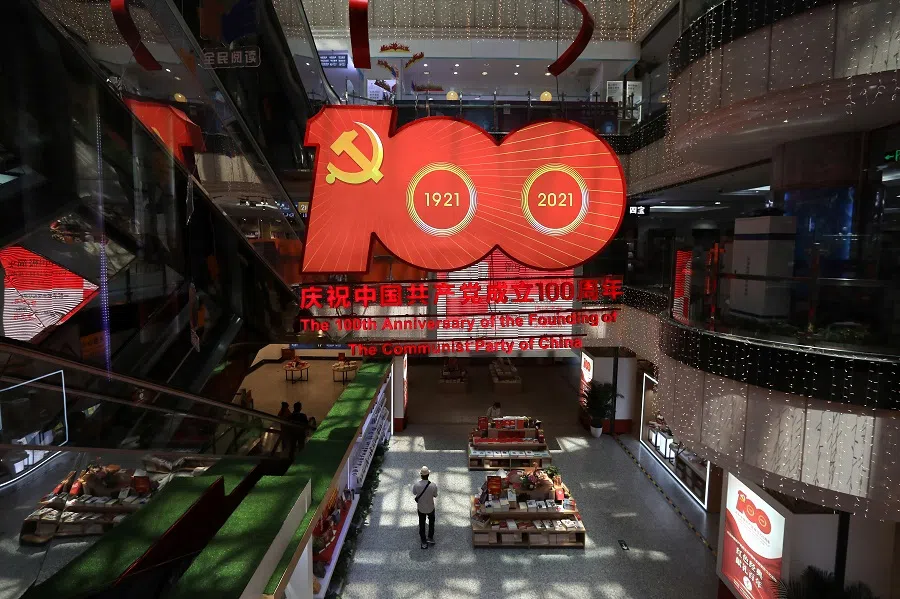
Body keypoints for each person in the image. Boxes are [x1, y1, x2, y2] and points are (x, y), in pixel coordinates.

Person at [412, 466, 438, 549]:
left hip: (421, 508)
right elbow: (435, 495)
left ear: (421, 475)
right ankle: (430, 537)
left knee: (422, 523)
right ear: (428, 474)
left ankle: (423, 541)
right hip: (430, 507)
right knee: (431, 522)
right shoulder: (433, 485)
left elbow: (414, 493)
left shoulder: (416, 485)